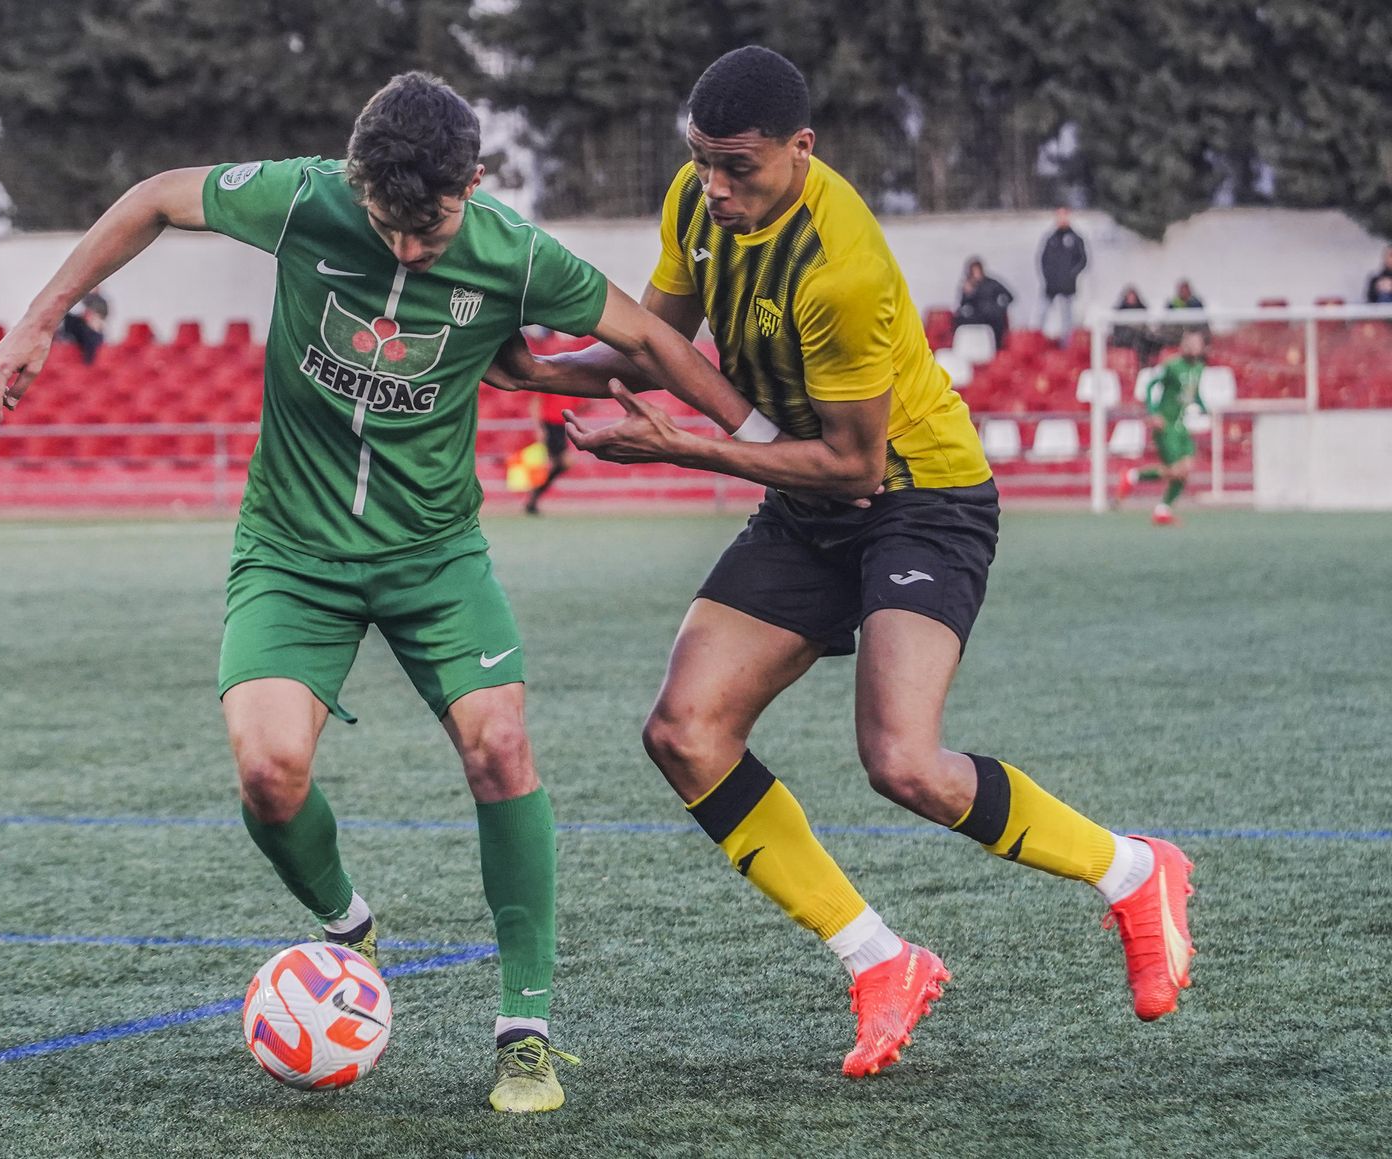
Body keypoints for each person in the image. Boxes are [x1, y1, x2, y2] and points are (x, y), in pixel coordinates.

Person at [0, 70, 756, 1114]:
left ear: (471, 184)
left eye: (428, 227)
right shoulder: (306, 199)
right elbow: (159, 193)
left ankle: (523, 1031)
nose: (404, 250)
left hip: (434, 559)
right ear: (357, 182)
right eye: (388, 225)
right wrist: (41, 314)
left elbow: (654, 341)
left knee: (501, 746)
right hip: (291, 553)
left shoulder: (514, 251)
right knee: (268, 772)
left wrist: (757, 441)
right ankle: (350, 928)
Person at [490, 45, 1196, 1078]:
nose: (716, 189)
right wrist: (534, 369)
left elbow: (854, 464)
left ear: (800, 150)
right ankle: (879, 958)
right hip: (804, 495)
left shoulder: (842, 268)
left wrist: (680, 446)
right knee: (684, 732)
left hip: (917, 499)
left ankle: (1134, 870)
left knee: (903, 762)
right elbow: (653, 340)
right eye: (701, 162)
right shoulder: (697, 202)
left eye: (740, 167)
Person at [1116, 329, 1206, 525]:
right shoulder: (1172, 366)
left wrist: (1204, 409)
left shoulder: (1199, 368)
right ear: (1183, 345)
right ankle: (1133, 477)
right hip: (1166, 424)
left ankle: (1163, 510)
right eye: (1190, 343)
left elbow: (1194, 393)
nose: (1193, 347)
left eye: (1197, 343)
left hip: (1182, 425)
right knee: (1175, 470)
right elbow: (1150, 385)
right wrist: (1153, 411)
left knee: (1186, 468)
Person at [523, 388, 579, 515]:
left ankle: (534, 497)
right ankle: (534, 495)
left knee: (559, 464)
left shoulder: (571, 384)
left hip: (560, 426)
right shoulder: (552, 382)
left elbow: (577, 406)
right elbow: (535, 402)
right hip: (549, 425)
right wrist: (538, 428)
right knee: (563, 462)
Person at [1038, 208, 1087, 344]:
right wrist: (1048, 276)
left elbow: (1083, 260)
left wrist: (1071, 275)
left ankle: (1066, 344)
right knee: (1042, 313)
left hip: (1068, 285)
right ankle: (1037, 340)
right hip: (1051, 285)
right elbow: (1043, 260)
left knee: (1068, 317)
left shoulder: (1075, 239)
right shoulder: (1051, 238)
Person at [955, 257, 1013, 348]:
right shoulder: (969, 285)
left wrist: (1000, 306)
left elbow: (1009, 296)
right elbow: (964, 304)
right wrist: (968, 294)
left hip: (992, 314)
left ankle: (997, 347)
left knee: (997, 324)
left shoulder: (992, 283)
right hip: (977, 315)